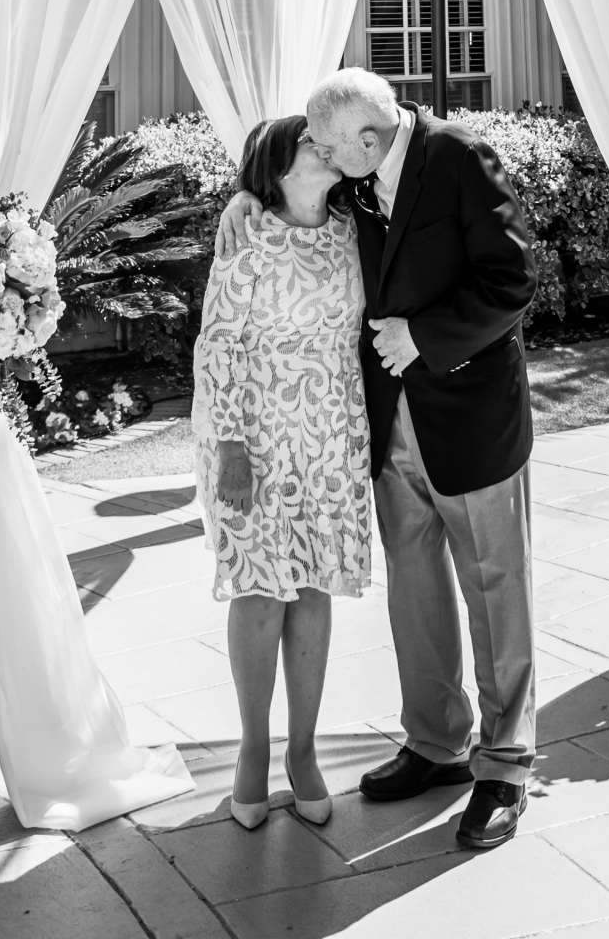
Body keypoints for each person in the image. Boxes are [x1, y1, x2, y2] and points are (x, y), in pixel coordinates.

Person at [218, 66, 537, 852]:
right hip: (386, 422)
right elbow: (288, 206)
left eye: (328, 142)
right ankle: (436, 743)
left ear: (369, 137)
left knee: (494, 588)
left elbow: (513, 280)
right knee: (416, 588)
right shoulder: (354, 182)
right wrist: (243, 197)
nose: (320, 153)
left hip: (469, 415)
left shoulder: (459, 155)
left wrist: (426, 338)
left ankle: (504, 765)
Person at [192, 112, 372, 830]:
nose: (325, 149)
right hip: (255, 435)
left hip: (332, 431)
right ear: (277, 166)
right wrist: (231, 444)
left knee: (316, 587)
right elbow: (218, 344)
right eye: (310, 143)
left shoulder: (353, 228)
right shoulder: (246, 233)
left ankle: (303, 752)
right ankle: (253, 749)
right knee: (261, 592)